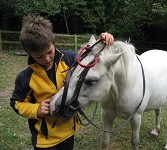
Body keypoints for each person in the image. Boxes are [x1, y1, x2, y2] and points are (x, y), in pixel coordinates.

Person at [10, 15, 114, 150]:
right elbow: (16, 103)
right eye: (39, 56)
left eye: (50, 52)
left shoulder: (70, 59)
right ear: (29, 54)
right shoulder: (25, 77)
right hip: (45, 139)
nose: (47, 58)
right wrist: (36, 109)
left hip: (69, 132)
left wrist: (103, 40)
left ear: (54, 43)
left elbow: (90, 57)